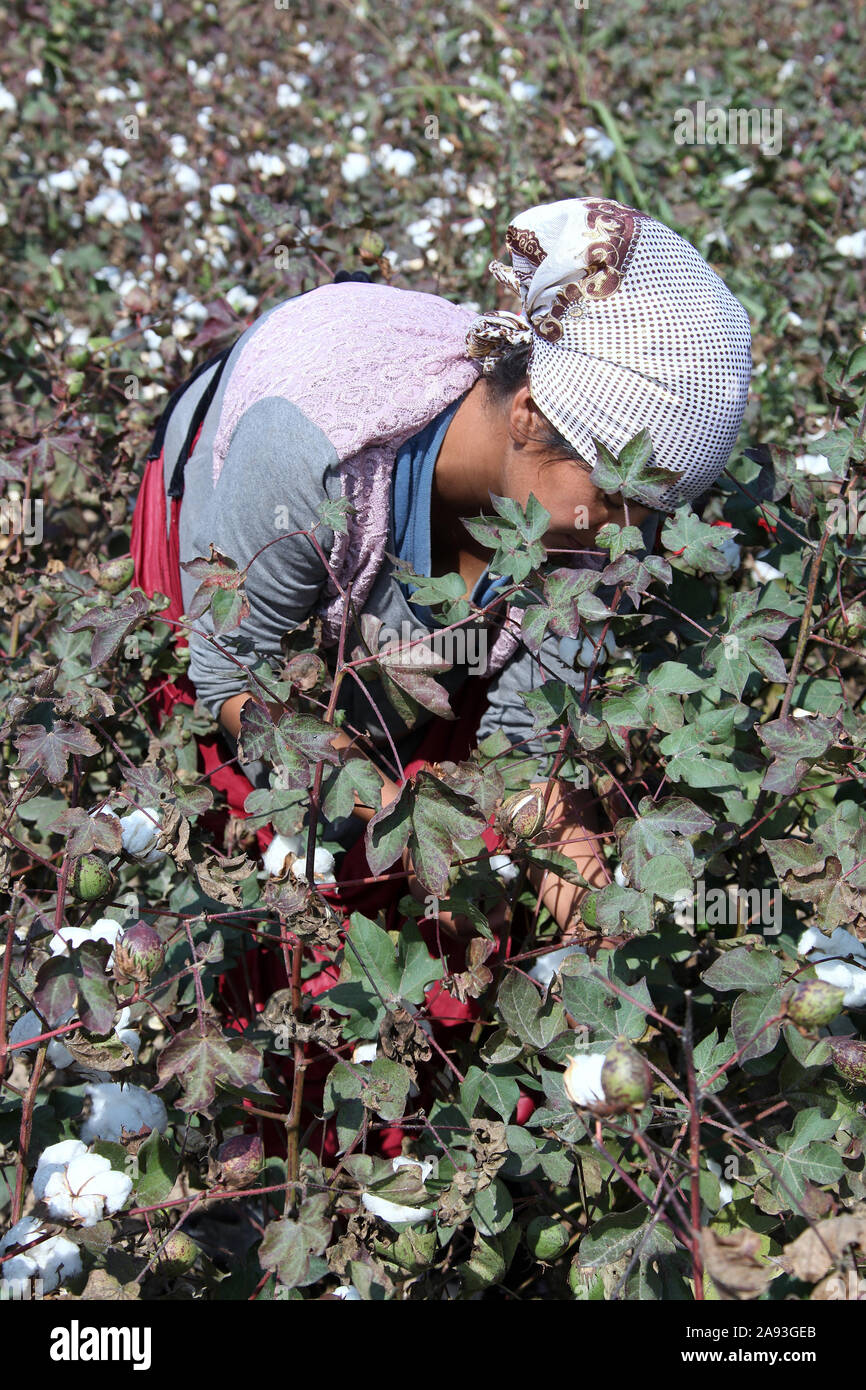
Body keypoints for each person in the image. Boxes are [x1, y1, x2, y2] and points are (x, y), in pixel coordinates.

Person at [131, 196, 752, 943]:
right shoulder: (309, 449)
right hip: (231, 505)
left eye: (655, 509)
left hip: (391, 619)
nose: (629, 538)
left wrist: (602, 928)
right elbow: (236, 684)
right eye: (620, 496)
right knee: (285, 878)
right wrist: (418, 828)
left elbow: (527, 740)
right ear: (527, 413)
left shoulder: (597, 527)